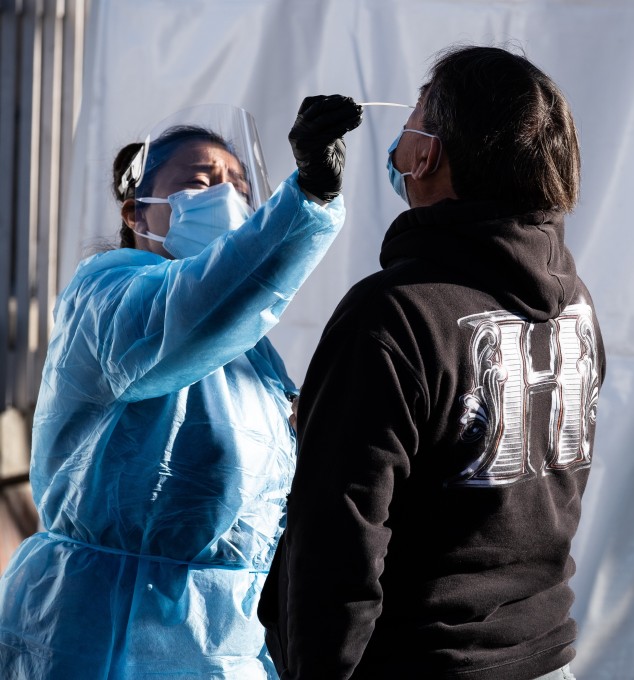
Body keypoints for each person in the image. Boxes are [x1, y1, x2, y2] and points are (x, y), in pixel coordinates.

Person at [258, 45, 606, 680]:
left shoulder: (393, 315)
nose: (401, 138)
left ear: (427, 154)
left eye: (415, 119)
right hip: (543, 656)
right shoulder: (574, 304)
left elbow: (339, 545)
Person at [0, 95, 363, 678]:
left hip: (219, 638)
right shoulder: (109, 294)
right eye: (200, 183)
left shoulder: (248, 342)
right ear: (136, 214)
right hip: (105, 634)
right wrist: (309, 200)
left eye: (241, 187)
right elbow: (189, 310)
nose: (228, 199)